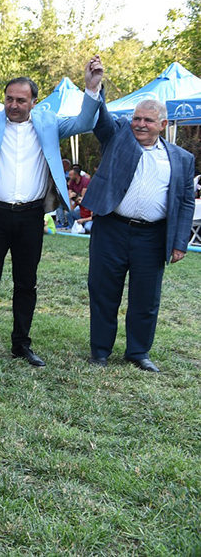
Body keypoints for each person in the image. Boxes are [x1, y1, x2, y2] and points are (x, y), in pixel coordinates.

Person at [0, 49, 103, 366]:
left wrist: (91, 88)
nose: (14, 105)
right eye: (9, 99)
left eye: (21, 100)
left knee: (26, 283)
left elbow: (85, 121)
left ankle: (21, 344)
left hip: (31, 216)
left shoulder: (48, 123)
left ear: (34, 101)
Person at [83, 89, 195, 372]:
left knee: (146, 298)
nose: (140, 124)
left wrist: (180, 242)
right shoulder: (118, 137)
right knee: (103, 292)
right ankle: (100, 352)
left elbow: (185, 201)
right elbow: (101, 120)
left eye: (148, 120)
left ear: (163, 125)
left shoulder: (182, 158)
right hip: (111, 230)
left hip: (153, 236)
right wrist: (94, 89)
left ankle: (138, 352)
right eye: (137, 118)